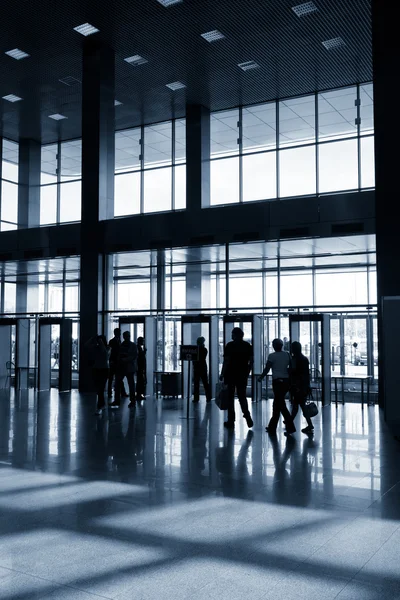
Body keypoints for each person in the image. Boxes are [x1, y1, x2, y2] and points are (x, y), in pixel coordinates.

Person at [258, 338, 296, 435]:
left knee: (280, 404)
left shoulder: (272, 356)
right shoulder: (287, 355)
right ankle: (272, 426)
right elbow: (292, 368)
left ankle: (289, 426)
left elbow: (267, 368)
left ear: (274, 346)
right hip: (286, 382)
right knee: (278, 403)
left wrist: (261, 377)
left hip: (277, 382)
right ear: (282, 345)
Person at [221, 327, 253, 429]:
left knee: (230, 397)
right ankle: (247, 415)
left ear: (235, 335)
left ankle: (231, 420)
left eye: (232, 334)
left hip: (230, 374)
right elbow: (251, 361)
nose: (231, 335)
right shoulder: (247, 346)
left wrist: (222, 373)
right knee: (242, 396)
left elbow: (226, 361)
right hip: (242, 374)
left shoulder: (230, 345)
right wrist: (248, 372)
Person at [290, 341, 314, 434]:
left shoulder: (295, 359)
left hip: (297, 385)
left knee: (297, 405)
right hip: (303, 385)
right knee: (301, 405)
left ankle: (290, 422)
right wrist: (307, 385)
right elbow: (306, 374)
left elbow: (293, 372)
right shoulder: (304, 359)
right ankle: (291, 421)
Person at [110, 331, 138, 409]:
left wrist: (124, 359)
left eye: (127, 336)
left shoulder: (131, 345)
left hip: (128, 367)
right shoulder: (124, 345)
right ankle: (117, 400)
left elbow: (134, 356)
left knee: (130, 385)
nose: (126, 337)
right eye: (125, 336)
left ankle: (132, 401)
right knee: (120, 384)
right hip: (122, 367)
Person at [85, 335, 110, 415]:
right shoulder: (95, 348)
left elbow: (104, 353)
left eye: (100, 341)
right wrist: (92, 338)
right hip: (96, 369)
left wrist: (100, 342)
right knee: (98, 389)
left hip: (104, 370)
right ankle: (102, 405)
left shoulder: (107, 348)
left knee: (101, 389)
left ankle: (100, 406)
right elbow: (86, 345)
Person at [108, 328, 127, 400]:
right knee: (113, 378)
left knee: (116, 377)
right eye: (119, 332)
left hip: (117, 362)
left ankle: (121, 392)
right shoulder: (113, 341)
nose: (120, 334)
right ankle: (120, 392)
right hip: (114, 362)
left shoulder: (117, 341)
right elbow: (111, 352)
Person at [193, 336, 212, 403]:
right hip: (203, 367)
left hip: (197, 368)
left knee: (197, 384)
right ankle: (208, 397)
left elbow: (195, 359)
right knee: (205, 383)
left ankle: (196, 398)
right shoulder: (204, 349)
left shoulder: (197, 349)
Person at [136, 336, 147, 401]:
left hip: (140, 367)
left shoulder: (139, 348)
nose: (143, 342)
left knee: (140, 381)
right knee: (141, 381)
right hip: (140, 367)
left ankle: (139, 394)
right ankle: (139, 394)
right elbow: (140, 358)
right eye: (143, 341)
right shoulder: (139, 348)